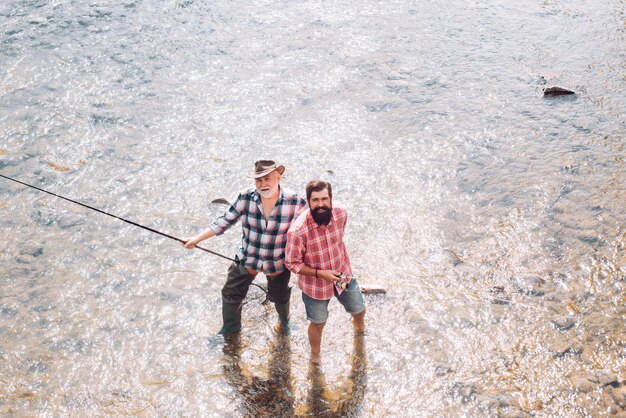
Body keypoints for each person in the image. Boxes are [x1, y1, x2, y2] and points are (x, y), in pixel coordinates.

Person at [184, 160, 307, 336]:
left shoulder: (296, 201)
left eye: (268, 179)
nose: (263, 184)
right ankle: (230, 329)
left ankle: (285, 322)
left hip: (277, 263)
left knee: (280, 296)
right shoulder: (245, 197)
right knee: (231, 292)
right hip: (248, 258)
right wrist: (196, 239)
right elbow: (223, 221)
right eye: (259, 180)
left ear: (278, 177)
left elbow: (311, 228)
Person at [285, 180, 366, 363]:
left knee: (359, 309)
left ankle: (360, 330)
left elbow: (341, 237)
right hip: (315, 286)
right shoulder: (297, 231)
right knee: (318, 322)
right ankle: (315, 355)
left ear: (331, 199)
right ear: (308, 201)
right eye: (315, 200)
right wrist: (320, 273)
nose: (320, 204)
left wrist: (335, 269)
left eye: (324, 199)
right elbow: (292, 263)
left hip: (342, 274)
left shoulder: (341, 213)